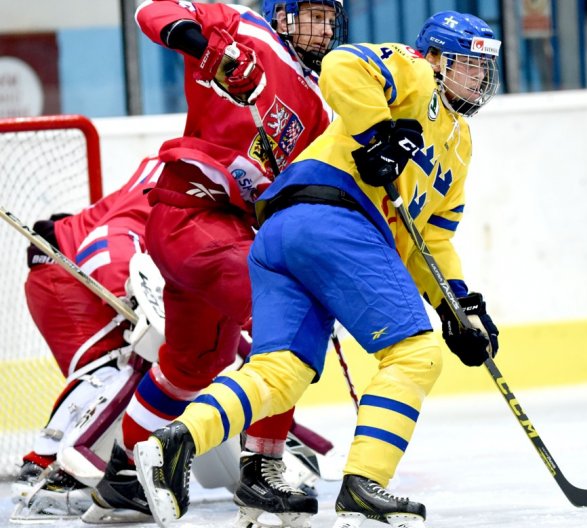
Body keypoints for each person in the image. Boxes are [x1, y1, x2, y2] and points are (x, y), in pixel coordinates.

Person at [133, 9, 502, 528]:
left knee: (280, 371)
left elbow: (432, 240)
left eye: (484, 70)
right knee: (414, 354)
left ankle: (174, 444)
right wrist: (379, 134)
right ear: (437, 58)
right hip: (336, 216)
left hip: (282, 234)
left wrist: (456, 303)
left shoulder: (458, 148)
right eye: (467, 65)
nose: (477, 79)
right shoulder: (415, 73)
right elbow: (343, 64)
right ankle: (363, 490)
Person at [85, 0, 348, 525]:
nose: (319, 29)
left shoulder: (323, 107)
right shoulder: (243, 25)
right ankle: (262, 470)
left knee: (193, 363)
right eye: (307, 15)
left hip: (228, 239)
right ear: (279, 15)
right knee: (288, 326)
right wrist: (202, 44)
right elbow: (151, 11)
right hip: (193, 214)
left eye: (327, 18)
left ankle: (123, 479)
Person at [10, 156, 165, 521]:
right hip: (65, 269)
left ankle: (46, 463)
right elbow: (108, 238)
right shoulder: (186, 183)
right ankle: (55, 470)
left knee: (114, 363)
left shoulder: (184, 169)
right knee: (127, 360)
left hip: (62, 267)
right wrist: (131, 298)